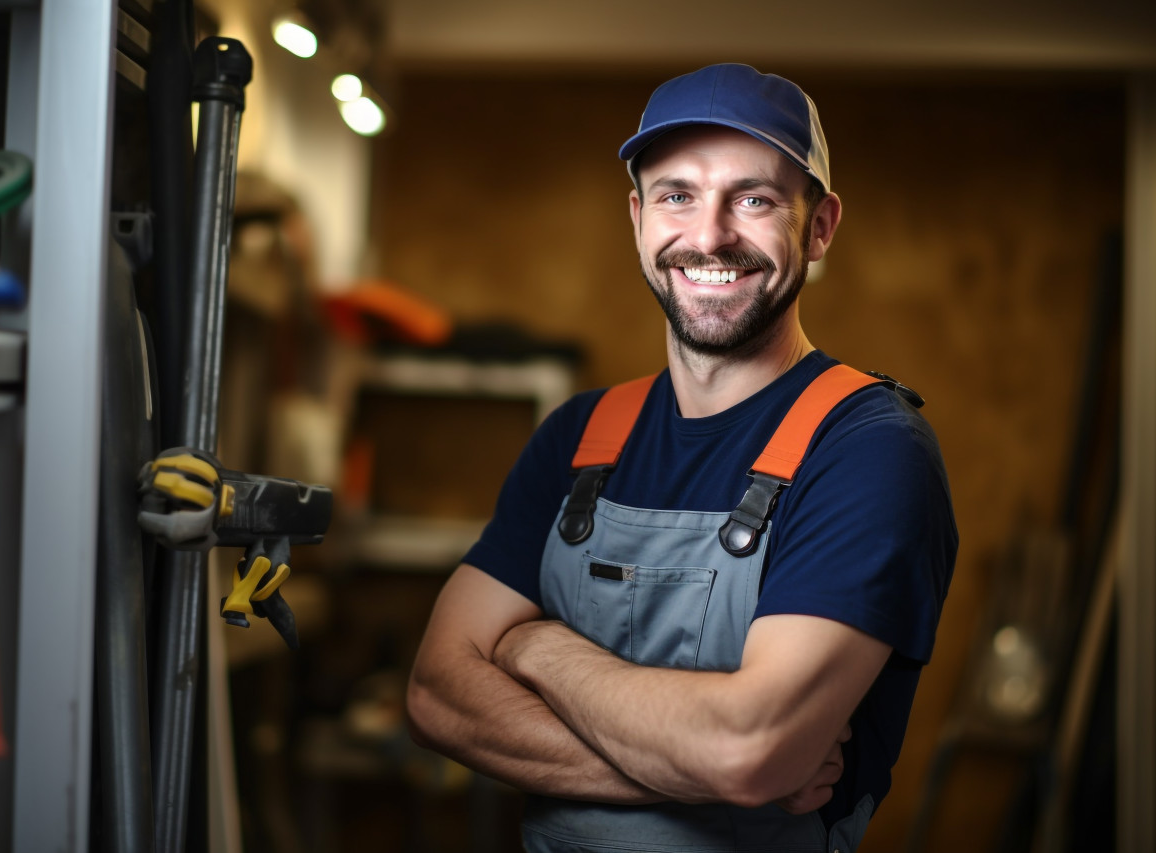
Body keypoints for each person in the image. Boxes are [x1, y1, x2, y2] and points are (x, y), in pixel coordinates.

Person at [406, 62, 958, 853]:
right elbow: (436, 695)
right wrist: (701, 770)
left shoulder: (867, 449)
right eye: (676, 195)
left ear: (822, 225)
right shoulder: (579, 435)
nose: (708, 237)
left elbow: (748, 748)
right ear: (637, 217)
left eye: (755, 198)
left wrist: (536, 647)